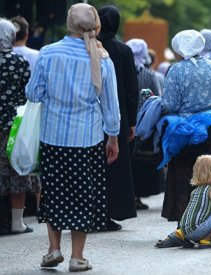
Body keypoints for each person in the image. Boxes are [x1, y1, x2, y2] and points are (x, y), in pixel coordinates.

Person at [25, 3, 120, 271]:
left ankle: (53, 249)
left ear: (68, 23)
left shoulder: (48, 53)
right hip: (87, 139)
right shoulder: (102, 57)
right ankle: (77, 256)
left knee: (53, 192)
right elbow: (110, 104)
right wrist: (112, 138)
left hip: (53, 137)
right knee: (82, 196)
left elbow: (33, 94)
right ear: (95, 26)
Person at [160, 30, 211, 222]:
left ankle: (185, 219)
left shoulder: (176, 70)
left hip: (186, 129)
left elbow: (170, 104)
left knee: (184, 174)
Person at [98, 5, 138, 231]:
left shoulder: (88, 48)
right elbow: (132, 90)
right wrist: (131, 122)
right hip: (118, 116)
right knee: (114, 165)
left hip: (92, 116)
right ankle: (109, 213)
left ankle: (91, 212)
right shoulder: (123, 51)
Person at [0, 18, 37, 235]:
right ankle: (16, 222)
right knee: (15, 171)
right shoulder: (18, 62)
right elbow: (29, 94)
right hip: (13, 126)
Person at [156, 155, 211, 248]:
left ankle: (181, 236)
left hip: (184, 231)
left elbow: (209, 206)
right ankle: (206, 240)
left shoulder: (195, 191)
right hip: (197, 231)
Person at [126, 38, 162, 210]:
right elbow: (156, 99)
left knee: (128, 162)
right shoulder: (148, 74)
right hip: (144, 123)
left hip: (125, 121)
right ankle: (138, 196)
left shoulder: (122, 71)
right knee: (140, 160)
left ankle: (128, 196)